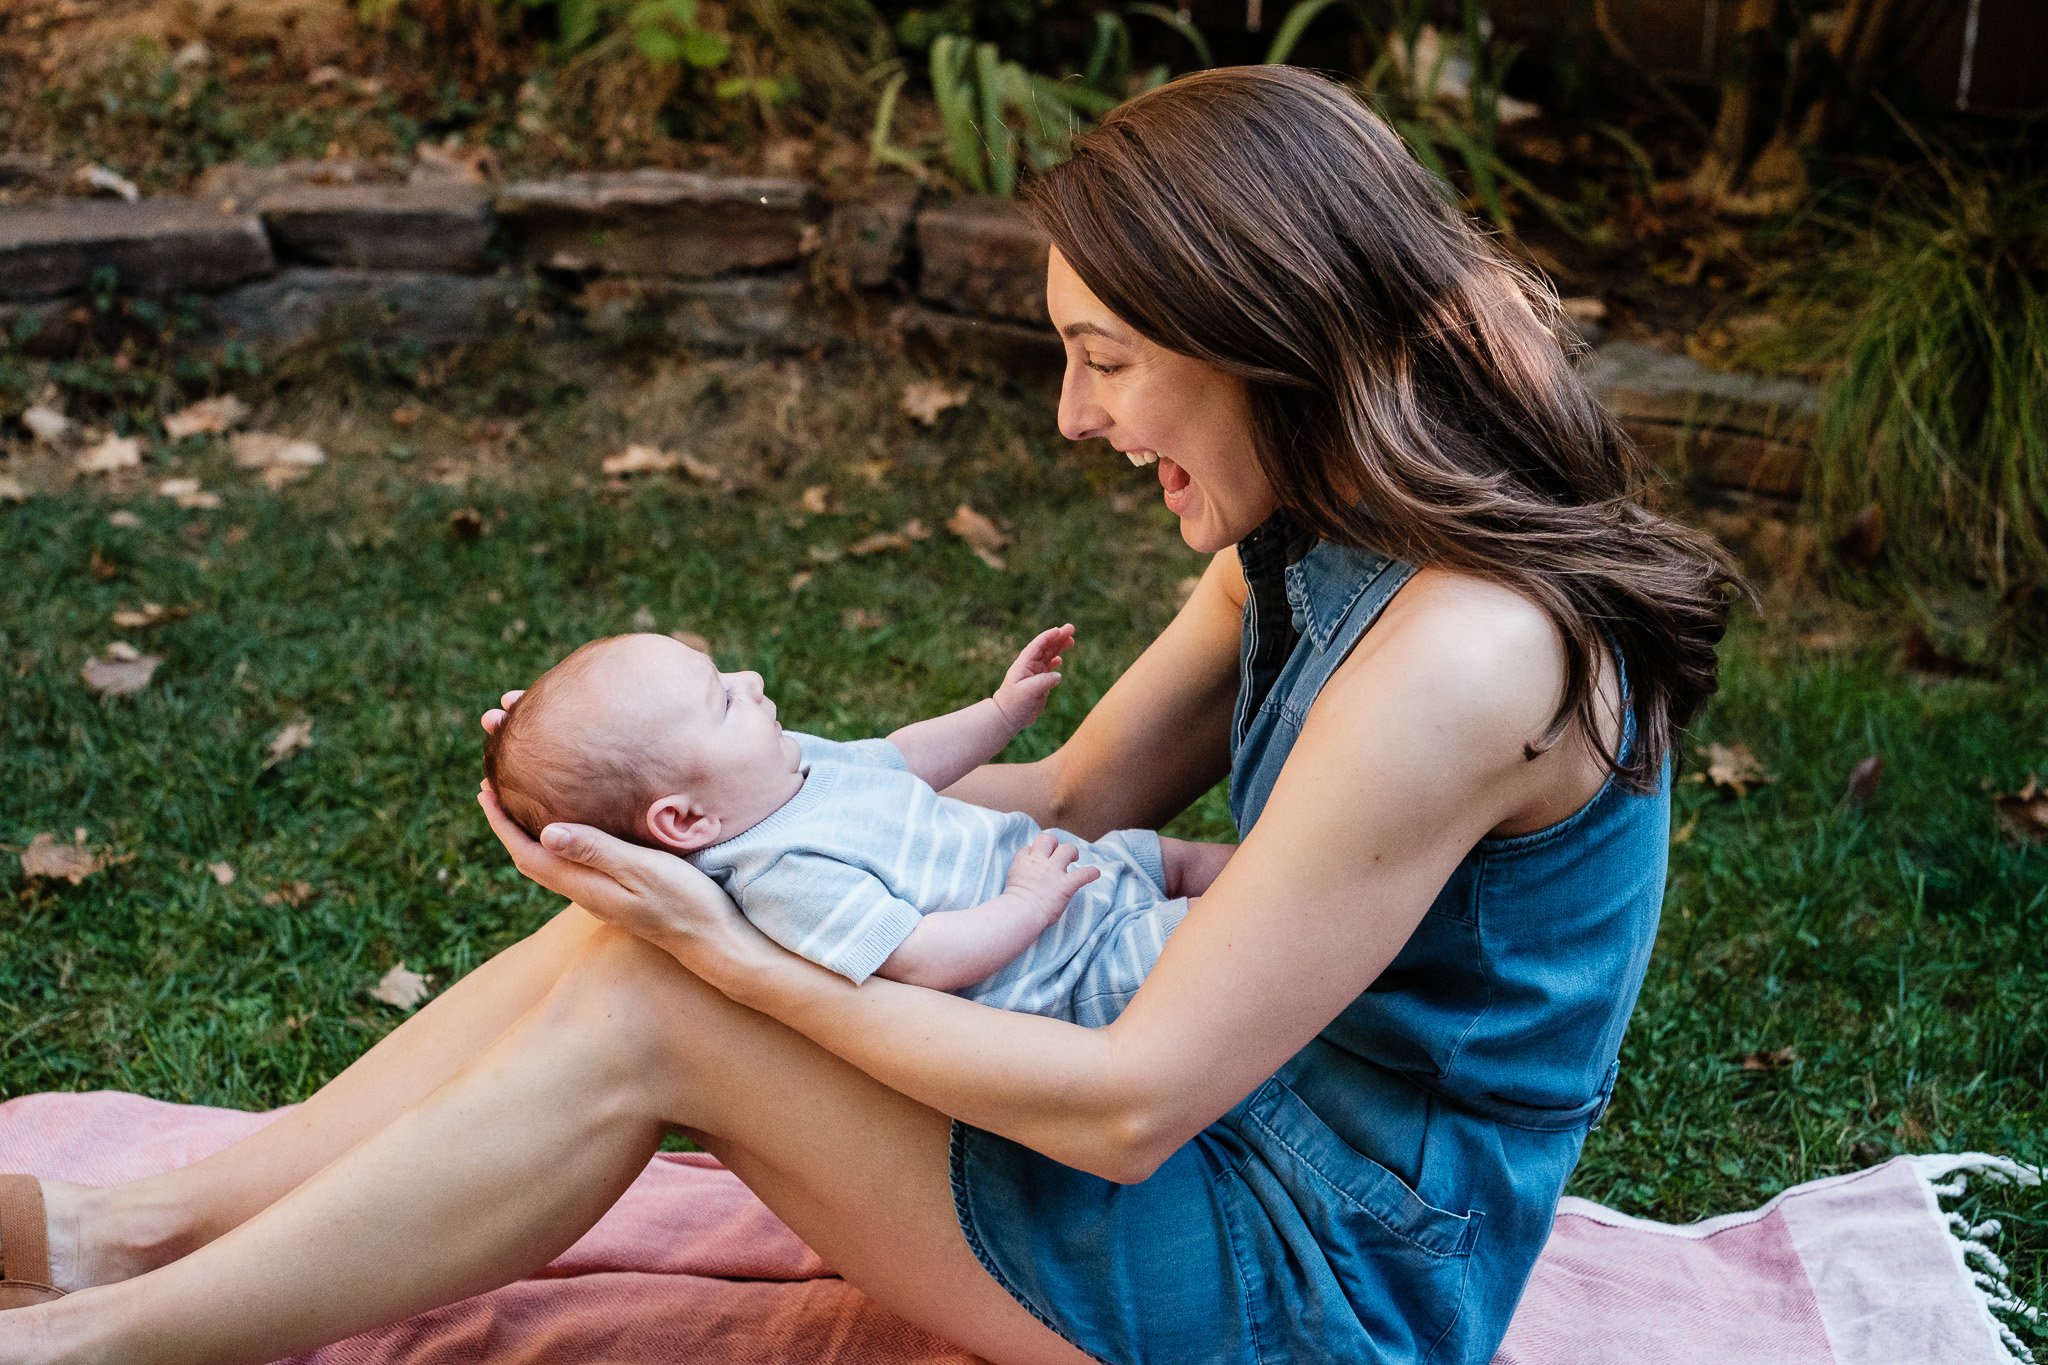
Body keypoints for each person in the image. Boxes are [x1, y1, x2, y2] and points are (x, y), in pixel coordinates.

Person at [0, 66, 1735, 1364]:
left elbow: (1124, 1103)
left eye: (1107, 356)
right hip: (1214, 1154)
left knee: (661, 1005)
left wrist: (734, 952)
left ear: (1266, 332)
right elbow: (1051, 800)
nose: (1070, 415)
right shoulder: (1304, 537)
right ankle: (121, 1237)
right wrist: (730, 847)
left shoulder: (1462, 654)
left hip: (1321, 1282)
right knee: (663, 947)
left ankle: (80, 1342)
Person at [484, 629, 1229, 1016]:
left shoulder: (790, 769)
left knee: (1190, 861)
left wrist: (998, 713)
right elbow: (921, 959)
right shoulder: (781, 874)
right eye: (721, 700)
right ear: (682, 818)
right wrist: (1028, 903)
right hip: (1066, 969)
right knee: (1219, 942)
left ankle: (1302, 890)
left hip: (1074, 874)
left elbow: (903, 757)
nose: (752, 682)